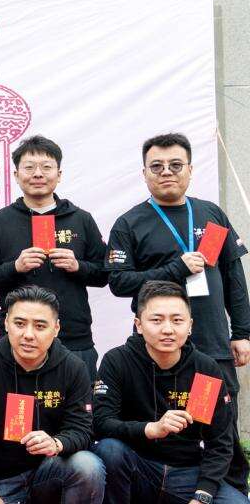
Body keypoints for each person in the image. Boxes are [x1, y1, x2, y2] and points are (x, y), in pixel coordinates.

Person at [106, 132, 250, 492]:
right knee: (164, 426)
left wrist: (242, 332)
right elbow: (118, 282)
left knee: (218, 430)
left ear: (190, 169)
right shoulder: (130, 223)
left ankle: (221, 493)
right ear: (144, 173)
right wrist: (175, 268)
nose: (166, 172)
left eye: (175, 165)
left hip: (212, 345)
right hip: (157, 352)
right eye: (156, 166)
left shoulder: (211, 215)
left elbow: (233, 276)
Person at [94, 281, 248, 504]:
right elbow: (101, 423)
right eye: (157, 320)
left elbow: (219, 442)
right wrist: (151, 429)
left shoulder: (203, 369)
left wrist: (202, 496)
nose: (168, 329)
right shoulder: (118, 361)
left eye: (177, 320)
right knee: (110, 450)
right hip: (138, 467)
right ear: (138, 325)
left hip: (186, 473)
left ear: (190, 325)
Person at [0, 135, 108, 382]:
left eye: (46, 167)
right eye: (29, 167)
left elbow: (105, 274)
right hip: (19, 340)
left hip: (73, 337)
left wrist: (78, 266)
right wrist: (15, 267)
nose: (38, 174)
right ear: (16, 175)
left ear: (59, 174)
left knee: (80, 404)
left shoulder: (81, 219)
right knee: (18, 406)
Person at [0, 286, 104, 504]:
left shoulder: (73, 367)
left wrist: (56, 443)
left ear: (56, 328)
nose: (28, 335)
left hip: (50, 469)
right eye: (19, 323)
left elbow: (82, 429)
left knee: (87, 466)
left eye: (40, 326)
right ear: (6, 323)